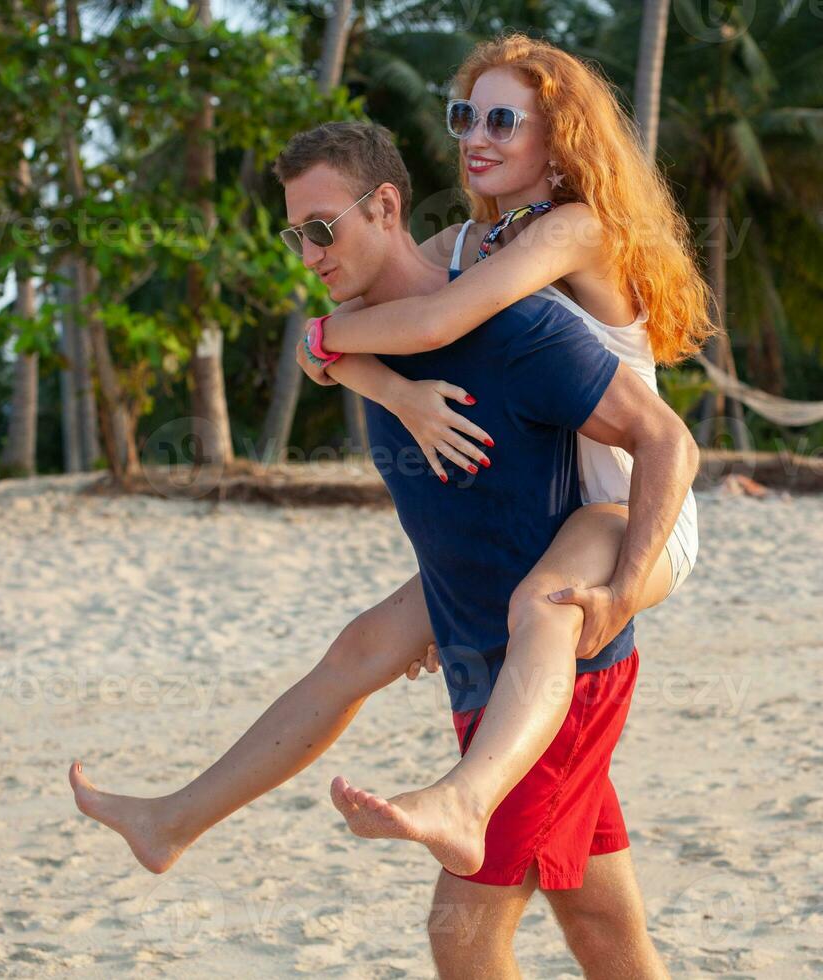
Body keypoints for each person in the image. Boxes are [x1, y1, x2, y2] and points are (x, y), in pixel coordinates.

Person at [298, 34, 711, 881]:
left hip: (633, 505)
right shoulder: (465, 244)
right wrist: (396, 392)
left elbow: (431, 327)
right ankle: (176, 819)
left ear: (558, 140)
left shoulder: (574, 230)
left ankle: (465, 800)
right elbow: (347, 354)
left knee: (544, 604)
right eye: (464, 116)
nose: (474, 137)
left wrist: (325, 336)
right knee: (364, 645)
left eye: (501, 119)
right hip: (544, 514)